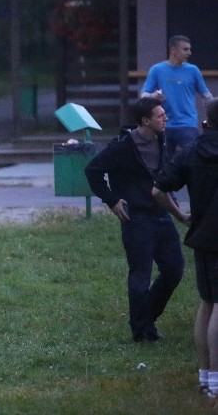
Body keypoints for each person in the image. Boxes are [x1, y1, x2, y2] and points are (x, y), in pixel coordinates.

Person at [85, 97, 184, 342]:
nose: (166, 119)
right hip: (137, 217)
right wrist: (111, 199)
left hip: (161, 214)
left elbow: (163, 173)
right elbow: (93, 170)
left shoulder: (162, 140)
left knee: (174, 269)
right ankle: (142, 330)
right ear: (145, 121)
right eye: (160, 116)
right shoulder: (122, 146)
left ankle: (144, 316)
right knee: (140, 274)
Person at [153, 99, 218, 397]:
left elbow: (158, 189)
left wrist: (182, 216)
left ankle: (207, 377)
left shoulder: (192, 151)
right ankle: (217, 384)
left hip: (203, 236)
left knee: (207, 303)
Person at [141, 35, 213, 159]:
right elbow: (144, 95)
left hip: (187, 124)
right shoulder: (157, 70)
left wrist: (213, 116)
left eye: (189, 49)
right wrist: (154, 96)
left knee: (193, 158)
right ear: (173, 50)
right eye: (185, 49)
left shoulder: (193, 70)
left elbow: (206, 96)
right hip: (164, 124)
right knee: (163, 161)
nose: (189, 53)